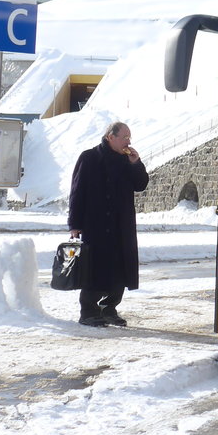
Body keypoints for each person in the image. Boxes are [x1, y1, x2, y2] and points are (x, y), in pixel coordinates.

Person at [66, 121, 149, 327]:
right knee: (95, 268)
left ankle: (109, 308)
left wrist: (135, 164)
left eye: (129, 137)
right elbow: (77, 192)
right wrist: (74, 224)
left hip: (122, 225)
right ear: (110, 137)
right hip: (96, 225)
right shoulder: (89, 157)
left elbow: (141, 184)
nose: (128, 141)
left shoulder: (127, 160)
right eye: (124, 137)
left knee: (121, 268)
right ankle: (89, 311)